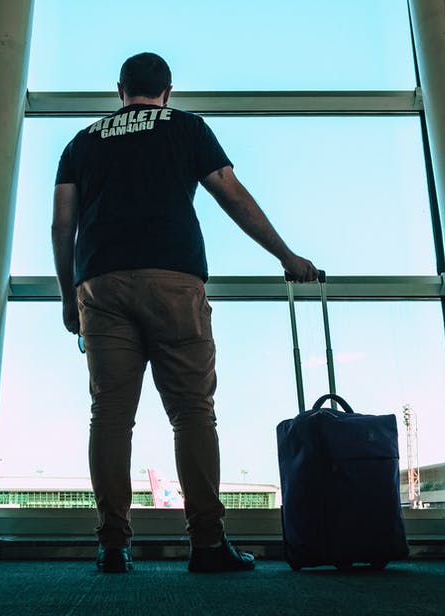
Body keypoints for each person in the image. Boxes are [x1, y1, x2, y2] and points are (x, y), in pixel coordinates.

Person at [51, 52, 319, 574]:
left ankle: (111, 544)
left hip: (101, 284)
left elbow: (62, 225)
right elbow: (231, 195)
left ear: (120, 90)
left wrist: (68, 295)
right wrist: (286, 255)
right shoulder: (187, 127)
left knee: (109, 416)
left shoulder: (82, 141)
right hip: (174, 278)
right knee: (192, 412)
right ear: (167, 91)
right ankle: (207, 543)